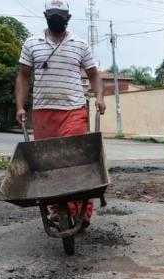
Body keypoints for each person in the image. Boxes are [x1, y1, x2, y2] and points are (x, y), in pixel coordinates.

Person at [14, 0, 106, 225]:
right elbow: (24, 76)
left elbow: (94, 74)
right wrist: (19, 106)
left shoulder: (80, 44)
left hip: (73, 109)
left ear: (68, 17)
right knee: (48, 165)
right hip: (43, 112)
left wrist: (100, 98)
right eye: (53, 14)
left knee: (76, 161)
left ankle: (82, 211)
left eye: (61, 15)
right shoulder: (31, 43)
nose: (57, 18)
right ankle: (57, 208)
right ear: (46, 15)